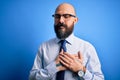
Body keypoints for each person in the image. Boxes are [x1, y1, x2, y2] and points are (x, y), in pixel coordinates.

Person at [29, 3, 104, 80]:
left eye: (66, 16)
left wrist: (80, 70)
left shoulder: (87, 48)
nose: (61, 20)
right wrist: (54, 67)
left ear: (75, 20)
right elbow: (31, 78)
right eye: (57, 16)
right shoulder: (44, 47)